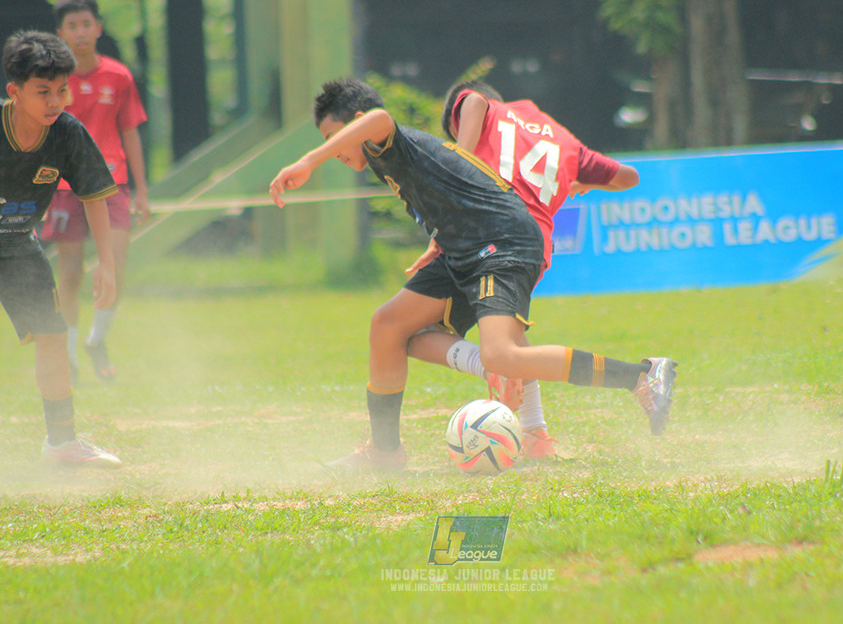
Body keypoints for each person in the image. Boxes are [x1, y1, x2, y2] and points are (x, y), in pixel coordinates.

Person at [268, 77, 676, 471]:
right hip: (462, 248)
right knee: (388, 326)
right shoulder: (380, 158)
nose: (330, 148)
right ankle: (385, 451)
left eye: (330, 137)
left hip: (503, 239)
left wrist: (308, 161)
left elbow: (379, 119)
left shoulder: (382, 137)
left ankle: (640, 376)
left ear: (354, 120)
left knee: (504, 353)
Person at [400, 80, 645, 459]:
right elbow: (629, 177)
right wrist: (583, 183)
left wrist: (452, 182)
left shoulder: (477, 106)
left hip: (485, 234)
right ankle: (536, 434)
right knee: (508, 340)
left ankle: (495, 371)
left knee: (412, 333)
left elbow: (474, 102)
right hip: (532, 246)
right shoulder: (565, 139)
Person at [0, 30, 122, 467]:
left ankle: (62, 443)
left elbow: (95, 195)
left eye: (61, 90)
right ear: (14, 91)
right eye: (43, 92)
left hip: (19, 244)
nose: (55, 101)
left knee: (53, 337)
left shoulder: (67, 133)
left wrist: (105, 264)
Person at [40, 0, 149, 381]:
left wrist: (143, 190)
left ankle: (96, 340)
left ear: (98, 28)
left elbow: (131, 131)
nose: (81, 32)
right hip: (66, 187)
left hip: (113, 183)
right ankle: (67, 354)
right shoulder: (52, 80)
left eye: (86, 24)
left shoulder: (119, 76)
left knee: (115, 264)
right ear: (61, 33)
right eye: (72, 25)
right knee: (70, 272)